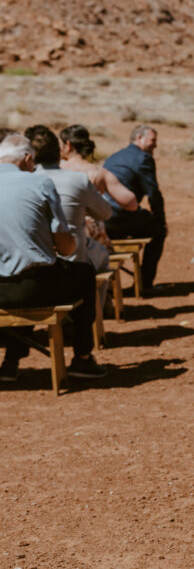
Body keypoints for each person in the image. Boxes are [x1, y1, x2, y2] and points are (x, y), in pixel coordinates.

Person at [0, 134, 105, 382]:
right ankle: (82, 357)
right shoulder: (40, 184)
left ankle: (11, 362)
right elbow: (66, 247)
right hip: (35, 287)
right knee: (83, 273)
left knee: (21, 271)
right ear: (27, 159)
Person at [25, 125, 112, 271]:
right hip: (73, 261)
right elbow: (106, 213)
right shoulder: (79, 180)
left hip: (35, 262)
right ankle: (100, 293)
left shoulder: (25, 182)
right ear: (59, 151)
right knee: (102, 254)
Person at [103, 125, 167, 294]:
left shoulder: (114, 157)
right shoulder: (143, 158)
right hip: (122, 215)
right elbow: (153, 193)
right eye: (152, 140)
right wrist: (161, 220)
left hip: (105, 219)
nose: (155, 145)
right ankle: (144, 284)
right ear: (139, 138)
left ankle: (110, 287)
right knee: (158, 231)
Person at [59, 125, 137, 212]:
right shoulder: (99, 173)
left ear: (68, 145)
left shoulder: (55, 169)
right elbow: (130, 203)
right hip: (87, 224)